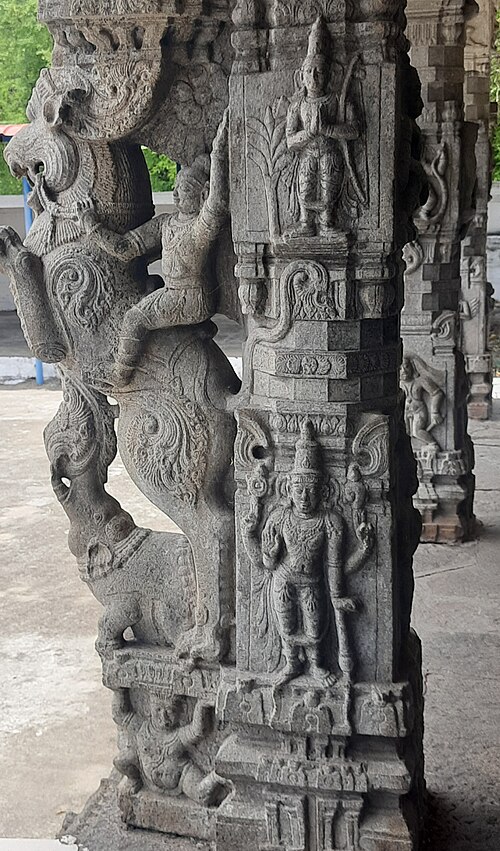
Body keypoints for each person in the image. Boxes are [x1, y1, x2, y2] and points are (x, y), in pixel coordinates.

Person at [82, 110, 229, 387]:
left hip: (190, 297)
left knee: (135, 318)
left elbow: (218, 203)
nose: (175, 194)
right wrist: (94, 228)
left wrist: (219, 153)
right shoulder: (166, 223)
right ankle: (194, 331)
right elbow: (125, 248)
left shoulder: (200, 226)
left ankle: (120, 376)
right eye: (175, 187)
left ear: (203, 192)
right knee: (151, 285)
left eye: (184, 189)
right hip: (174, 293)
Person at [286, 16, 359, 236]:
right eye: (309, 72)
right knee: (306, 187)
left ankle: (327, 222)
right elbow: (290, 140)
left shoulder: (337, 101)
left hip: (330, 152)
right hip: (307, 153)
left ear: (329, 74)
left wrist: (328, 130)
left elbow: (354, 129)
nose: (314, 76)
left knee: (329, 185)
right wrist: (308, 134)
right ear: (301, 76)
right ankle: (305, 222)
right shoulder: (297, 105)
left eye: (318, 71)